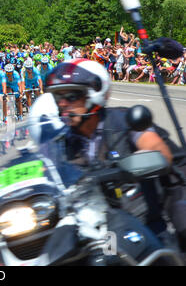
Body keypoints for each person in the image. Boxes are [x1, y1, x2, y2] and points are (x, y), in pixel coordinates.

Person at [42, 58, 184, 247]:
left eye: (71, 96)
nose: (63, 104)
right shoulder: (64, 140)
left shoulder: (123, 121)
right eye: (58, 98)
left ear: (94, 93)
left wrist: (130, 166)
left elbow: (159, 152)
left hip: (142, 225)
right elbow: (45, 176)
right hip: (91, 230)